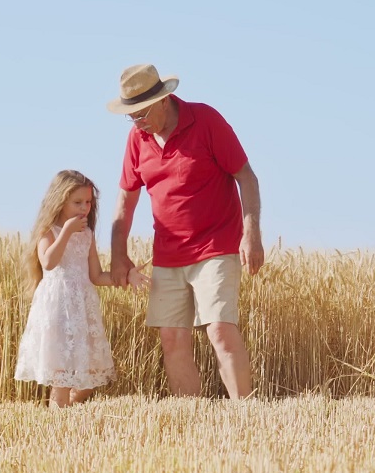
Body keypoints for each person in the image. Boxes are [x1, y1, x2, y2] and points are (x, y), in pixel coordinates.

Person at [107, 64, 264, 399]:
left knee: (220, 330)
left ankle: (246, 413)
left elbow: (246, 177)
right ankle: (189, 416)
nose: (138, 122)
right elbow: (125, 202)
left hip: (216, 247)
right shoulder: (137, 138)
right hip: (168, 254)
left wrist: (251, 232)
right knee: (171, 338)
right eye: (131, 115)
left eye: (142, 112)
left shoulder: (207, 121)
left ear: (165, 100)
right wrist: (118, 255)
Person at [14, 169, 148, 408]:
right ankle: (59, 422)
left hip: (82, 309)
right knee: (61, 375)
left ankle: (65, 412)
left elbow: (96, 276)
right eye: (77, 202)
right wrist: (65, 232)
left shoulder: (87, 235)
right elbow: (48, 262)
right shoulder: (49, 232)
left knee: (89, 377)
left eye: (88, 202)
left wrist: (127, 277)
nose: (84, 208)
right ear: (60, 201)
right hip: (57, 308)